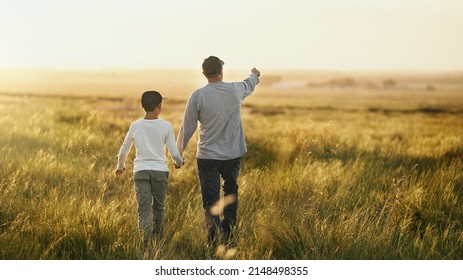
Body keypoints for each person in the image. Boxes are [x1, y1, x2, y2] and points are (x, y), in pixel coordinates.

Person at [176, 56, 260, 246]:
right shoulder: (234, 91)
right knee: (230, 190)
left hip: (207, 157)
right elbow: (249, 83)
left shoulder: (197, 96)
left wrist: (177, 153)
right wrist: (254, 74)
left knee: (210, 198)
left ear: (204, 74)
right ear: (221, 72)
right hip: (232, 154)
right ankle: (229, 235)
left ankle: (213, 241)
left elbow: (187, 127)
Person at [116, 90, 183, 248]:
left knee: (144, 209)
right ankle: (158, 242)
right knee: (159, 208)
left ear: (143, 106)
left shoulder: (136, 126)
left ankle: (145, 244)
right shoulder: (166, 126)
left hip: (141, 172)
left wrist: (120, 166)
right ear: (159, 106)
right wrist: (179, 162)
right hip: (160, 172)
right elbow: (174, 152)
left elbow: (124, 149)